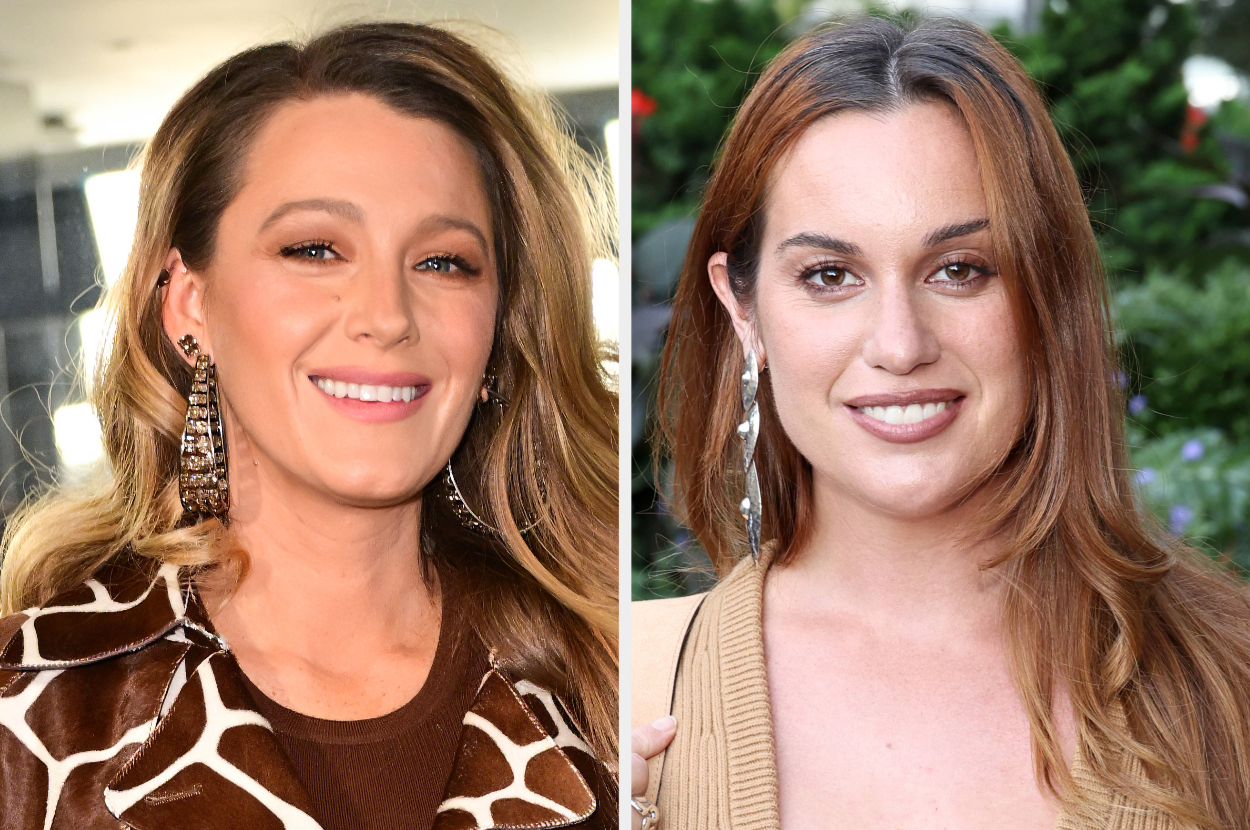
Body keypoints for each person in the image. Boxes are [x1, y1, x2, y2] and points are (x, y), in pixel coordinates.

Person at [632, 15, 1250, 830]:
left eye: (960, 270)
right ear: (743, 310)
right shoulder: (621, 681)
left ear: (1045, 295)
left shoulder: (1230, 681)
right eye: (828, 275)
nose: (899, 344)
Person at [0, 21, 618, 830]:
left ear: (500, 326)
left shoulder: (606, 682)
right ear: (189, 304)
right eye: (315, 249)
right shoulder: (30, 710)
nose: (387, 316)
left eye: (443, 262)